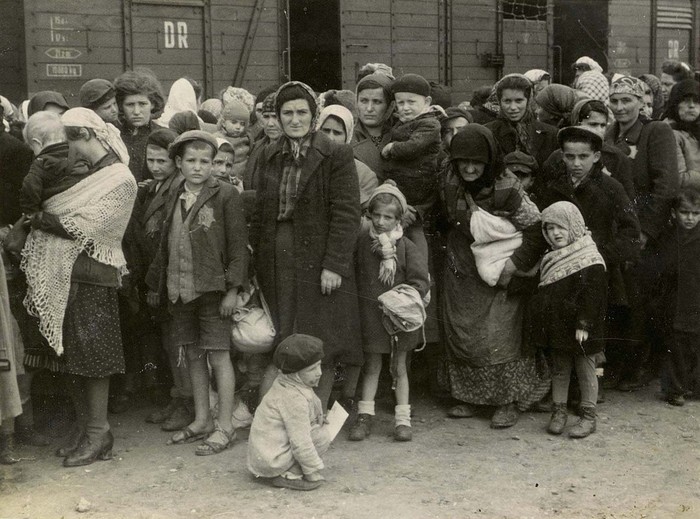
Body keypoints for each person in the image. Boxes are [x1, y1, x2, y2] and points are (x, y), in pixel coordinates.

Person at [21, 107, 137, 467]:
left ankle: (99, 432)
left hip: (93, 275)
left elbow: (89, 227)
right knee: (69, 356)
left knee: (93, 357)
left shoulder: (119, 178)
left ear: (84, 136)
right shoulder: (89, 172)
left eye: (68, 143)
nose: (64, 152)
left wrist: (42, 218)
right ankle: (86, 428)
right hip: (65, 274)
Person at [250, 81, 361, 411]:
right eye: (287, 113)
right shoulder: (269, 154)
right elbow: (261, 212)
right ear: (278, 116)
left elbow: (346, 213)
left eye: (302, 112)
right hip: (279, 254)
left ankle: (315, 415)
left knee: (320, 337)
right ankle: (276, 415)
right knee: (285, 335)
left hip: (319, 256)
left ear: (314, 116)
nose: (294, 119)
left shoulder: (336, 154)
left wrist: (334, 265)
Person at [437, 125, 548, 428]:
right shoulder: (449, 180)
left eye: (477, 162)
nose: (470, 169)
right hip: (463, 262)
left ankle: (507, 401)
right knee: (462, 330)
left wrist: (512, 265)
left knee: (498, 334)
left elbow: (536, 230)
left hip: (500, 264)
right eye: (463, 161)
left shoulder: (507, 188)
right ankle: (469, 397)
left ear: (490, 161)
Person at [146, 130, 249, 455]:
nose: (198, 167)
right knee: (192, 354)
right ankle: (202, 419)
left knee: (218, 355)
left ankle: (225, 425)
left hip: (213, 290)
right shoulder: (174, 192)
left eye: (206, 161)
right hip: (180, 290)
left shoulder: (225, 194)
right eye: (191, 160)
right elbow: (166, 242)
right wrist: (156, 284)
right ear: (179, 162)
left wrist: (233, 289)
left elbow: (238, 246)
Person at [605, 75, 680, 390]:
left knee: (642, 299)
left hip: (649, 233)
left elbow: (666, 186)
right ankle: (618, 364)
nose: (620, 107)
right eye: (615, 101)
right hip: (617, 230)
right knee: (618, 297)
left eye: (627, 100)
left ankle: (638, 367)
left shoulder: (655, 132)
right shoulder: (609, 134)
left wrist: (645, 231)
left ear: (640, 102)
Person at [348, 181, 429, 442]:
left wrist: (402, 297)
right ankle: (365, 416)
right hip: (371, 316)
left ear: (398, 220)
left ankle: (402, 419)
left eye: (388, 217)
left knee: (399, 367)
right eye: (377, 215)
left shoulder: (405, 246)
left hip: (398, 319)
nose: (381, 222)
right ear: (369, 215)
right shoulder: (363, 243)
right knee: (372, 366)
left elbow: (420, 281)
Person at [530, 202, 607, 438]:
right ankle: (559, 412)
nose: (555, 233)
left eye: (561, 227)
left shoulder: (589, 257)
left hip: (583, 328)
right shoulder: (551, 257)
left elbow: (594, 295)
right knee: (560, 369)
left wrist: (584, 323)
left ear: (573, 226)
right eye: (549, 228)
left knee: (586, 369)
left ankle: (588, 416)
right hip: (558, 326)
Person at [137, 128, 194, 432]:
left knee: (177, 342)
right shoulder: (157, 186)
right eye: (151, 160)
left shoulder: (177, 189)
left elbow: (167, 243)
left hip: (168, 277)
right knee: (169, 342)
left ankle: (187, 402)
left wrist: (155, 283)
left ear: (175, 161)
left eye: (162, 161)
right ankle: (179, 396)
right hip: (157, 275)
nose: (156, 166)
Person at [247, 334, 330, 491]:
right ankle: (289, 474)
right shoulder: (293, 397)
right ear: (294, 373)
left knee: (316, 431)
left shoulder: (287, 383)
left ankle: (286, 469)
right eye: (312, 369)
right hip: (273, 460)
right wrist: (312, 471)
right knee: (321, 437)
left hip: (266, 455)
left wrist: (317, 416)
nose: (319, 372)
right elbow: (300, 441)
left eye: (319, 366)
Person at [381, 73, 442, 255]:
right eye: (400, 103)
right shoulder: (404, 122)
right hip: (404, 185)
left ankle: (421, 266)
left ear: (427, 101)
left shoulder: (430, 124)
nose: (405, 108)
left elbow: (413, 147)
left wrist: (392, 147)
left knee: (415, 231)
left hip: (418, 188)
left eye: (411, 102)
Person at [654, 187, 700, 406]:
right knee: (675, 346)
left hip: (696, 299)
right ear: (675, 213)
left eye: (696, 213)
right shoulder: (669, 236)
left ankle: (694, 386)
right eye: (685, 212)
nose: (690, 218)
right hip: (674, 300)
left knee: (695, 345)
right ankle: (675, 389)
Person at [485, 74, 559, 172]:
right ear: (500, 102)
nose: (513, 107)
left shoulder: (550, 134)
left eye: (519, 101)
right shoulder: (488, 132)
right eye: (507, 101)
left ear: (528, 101)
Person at [19, 112, 81, 217]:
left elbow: (29, 191)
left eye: (32, 147)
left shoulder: (39, 165)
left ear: (37, 143)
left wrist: (31, 213)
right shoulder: (78, 153)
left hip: (54, 214)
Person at [317, 104, 378, 208]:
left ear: (347, 137)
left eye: (337, 133)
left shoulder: (365, 175)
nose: (330, 138)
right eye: (326, 131)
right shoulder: (305, 163)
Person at [114, 69, 166, 183]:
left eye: (142, 104)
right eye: (130, 105)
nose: (136, 111)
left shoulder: (164, 136)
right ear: (121, 106)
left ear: (152, 104)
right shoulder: (113, 135)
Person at [353, 72, 395, 176]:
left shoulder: (402, 136)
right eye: (364, 101)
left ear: (390, 106)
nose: (369, 109)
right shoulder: (347, 137)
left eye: (377, 102)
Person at [664, 79, 700, 188]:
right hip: (686, 196)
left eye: (696, 101)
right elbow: (679, 178)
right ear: (675, 104)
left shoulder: (696, 129)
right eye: (685, 101)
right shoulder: (670, 133)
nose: (692, 106)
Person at [216, 99, 253, 180]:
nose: (238, 127)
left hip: (241, 178)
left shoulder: (247, 140)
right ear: (223, 123)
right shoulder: (217, 138)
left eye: (242, 124)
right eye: (234, 122)